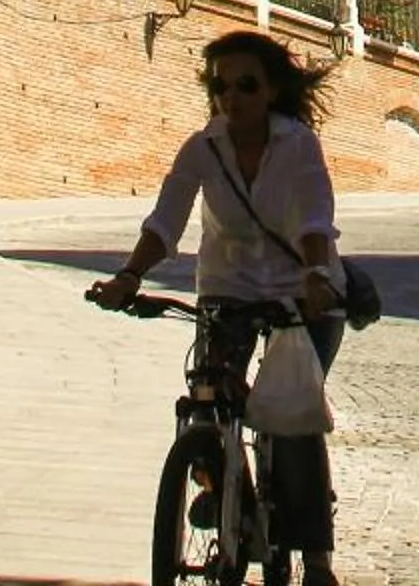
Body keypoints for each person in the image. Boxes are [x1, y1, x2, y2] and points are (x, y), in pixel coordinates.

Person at [89, 32, 348, 586]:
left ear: (272, 89)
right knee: (207, 394)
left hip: (303, 291)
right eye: (221, 86)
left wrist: (318, 277)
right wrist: (129, 276)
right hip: (227, 288)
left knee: (290, 415)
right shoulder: (202, 149)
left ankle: (317, 558)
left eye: (246, 85)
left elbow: (314, 220)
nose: (232, 97)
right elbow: (165, 222)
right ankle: (216, 478)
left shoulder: (297, 144)